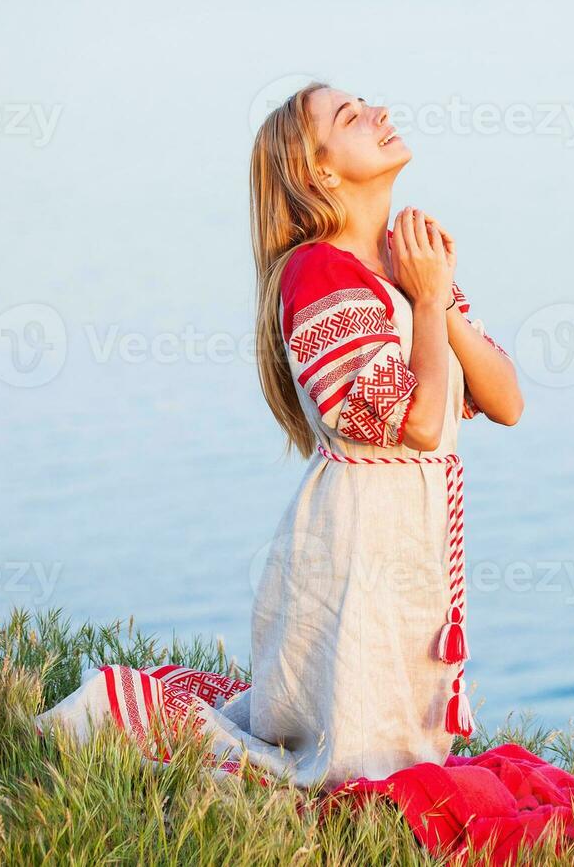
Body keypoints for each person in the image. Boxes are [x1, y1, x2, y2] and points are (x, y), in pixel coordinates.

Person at [35, 82, 523, 791]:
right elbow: (419, 425)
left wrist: (437, 292)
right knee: (354, 774)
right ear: (319, 170)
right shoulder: (318, 272)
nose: (380, 112)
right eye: (352, 117)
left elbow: (505, 401)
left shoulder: (403, 261)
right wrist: (423, 297)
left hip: (408, 532)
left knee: (405, 759)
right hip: (357, 542)